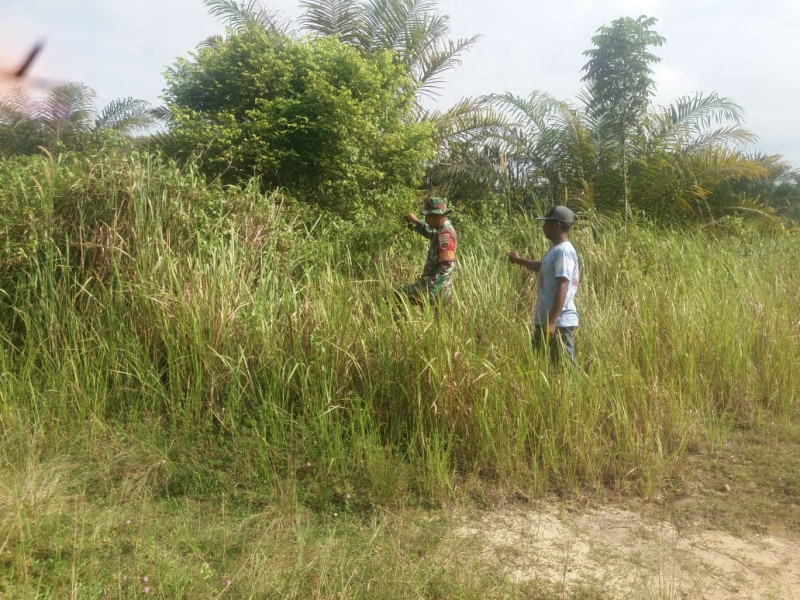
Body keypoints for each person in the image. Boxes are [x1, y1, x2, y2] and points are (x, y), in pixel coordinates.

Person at [508, 205, 579, 364]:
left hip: (558, 322)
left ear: (557, 226)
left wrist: (552, 321)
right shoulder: (557, 250)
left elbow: (563, 286)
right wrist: (520, 261)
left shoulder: (563, 251)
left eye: (546, 223)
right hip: (548, 319)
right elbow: (543, 267)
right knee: (534, 363)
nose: (543, 227)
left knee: (564, 368)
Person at [401, 196, 457, 307]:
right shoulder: (441, 230)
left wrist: (433, 291)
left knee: (396, 295)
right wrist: (417, 222)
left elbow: (448, 266)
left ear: (438, 216)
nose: (426, 220)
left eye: (428, 217)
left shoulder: (444, 234)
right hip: (436, 288)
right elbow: (432, 234)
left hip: (435, 289)